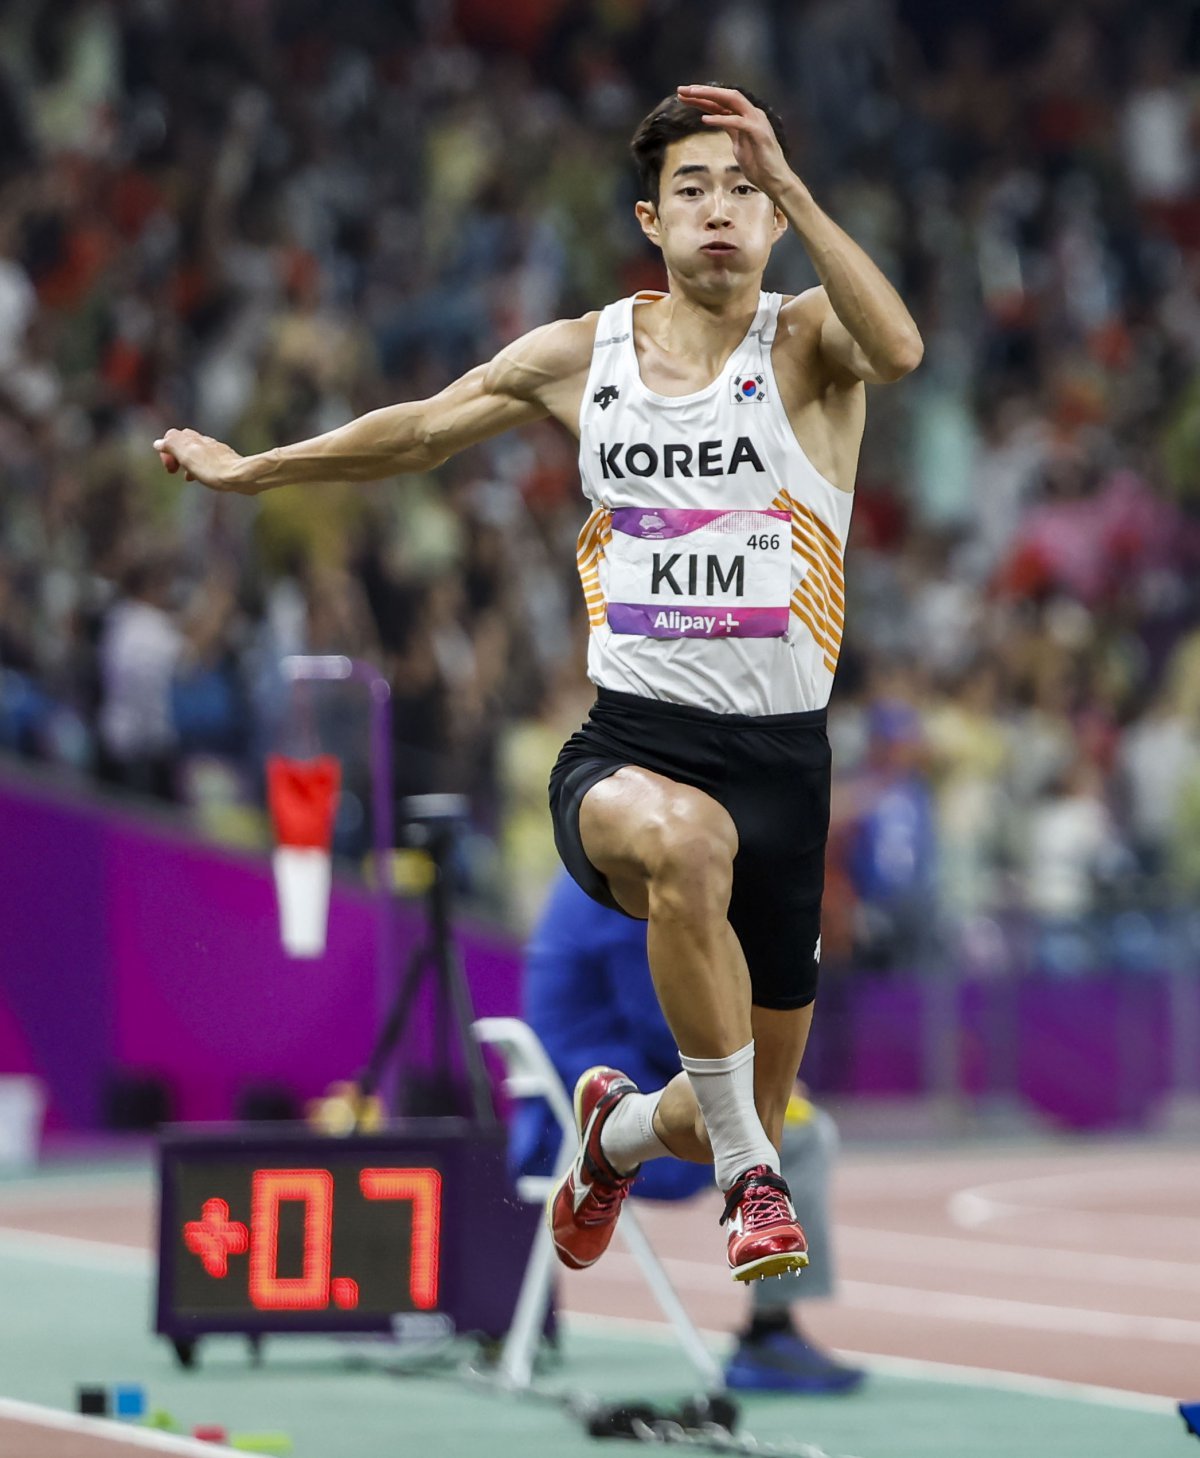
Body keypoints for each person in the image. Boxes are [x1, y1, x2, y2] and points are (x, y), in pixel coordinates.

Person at [153, 84, 923, 1283]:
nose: (719, 209)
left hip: (785, 765)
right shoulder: (586, 354)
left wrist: (801, 185)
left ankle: (615, 1134)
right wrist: (259, 471)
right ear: (650, 221)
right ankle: (748, 1187)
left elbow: (904, 347)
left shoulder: (814, 343)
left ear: (772, 220)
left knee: (751, 1098)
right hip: (630, 747)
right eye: (692, 189)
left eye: (743, 189)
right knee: (681, 850)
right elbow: (419, 429)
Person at [513, 870, 865, 1392]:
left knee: (784, 1112)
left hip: (571, 1105)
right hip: (589, 1120)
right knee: (803, 1136)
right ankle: (771, 1335)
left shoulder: (596, 872)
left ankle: (773, 1332)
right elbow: (671, 1026)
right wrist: (762, 1077)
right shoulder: (631, 892)